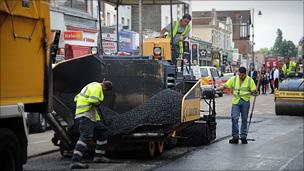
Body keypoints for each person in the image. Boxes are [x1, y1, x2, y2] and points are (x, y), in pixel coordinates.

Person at [70, 80, 113, 169]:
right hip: (85, 115)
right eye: (105, 91)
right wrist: (98, 103)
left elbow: (76, 98)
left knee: (103, 131)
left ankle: (99, 156)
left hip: (89, 116)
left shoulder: (91, 85)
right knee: (85, 136)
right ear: (105, 88)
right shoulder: (98, 87)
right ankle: (75, 160)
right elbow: (93, 100)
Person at [216, 67, 257, 144]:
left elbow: (254, 91)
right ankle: (235, 137)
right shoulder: (234, 79)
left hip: (245, 101)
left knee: (244, 119)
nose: (240, 77)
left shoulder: (249, 80)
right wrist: (216, 89)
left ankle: (243, 136)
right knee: (234, 118)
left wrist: (255, 92)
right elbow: (225, 86)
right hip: (236, 102)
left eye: (242, 75)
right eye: (239, 75)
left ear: (245, 74)